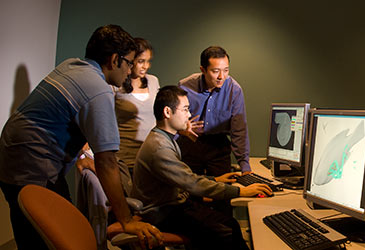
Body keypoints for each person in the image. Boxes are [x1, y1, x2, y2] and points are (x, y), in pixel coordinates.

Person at [0, 24, 162, 250]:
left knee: (37, 226)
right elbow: (107, 162)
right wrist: (125, 220)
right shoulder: (97, 89)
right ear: (115, 59)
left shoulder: (72, 65)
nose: (130, 70)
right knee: (46, 235)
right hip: (30, 164)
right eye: (129, 62)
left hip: (12, 155)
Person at [131, 85, 272, 250]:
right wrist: (242, 191)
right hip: (162, 213)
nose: (189, 115)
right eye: (185, 109)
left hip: (172, 205)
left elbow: (183, 177)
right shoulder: (159, 147)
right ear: (168, 112)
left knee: (230, 223)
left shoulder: (163, 138)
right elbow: (192, 183)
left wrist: (215, 179)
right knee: (227, 231)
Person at [177, 46, 251, 177]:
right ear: (203, 70)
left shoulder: (234, 90)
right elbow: (173, 121)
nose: (221, 76)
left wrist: (245, 166)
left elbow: (239, 130)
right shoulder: (185, 86)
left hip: (219, 145)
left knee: (223, 191)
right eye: (215, 71)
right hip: (190, 141)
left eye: (226, 70)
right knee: (191, 191)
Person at [112, 38, 160, 195]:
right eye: (141, 61)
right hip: (126, 158)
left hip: (150, 156)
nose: (145, 66)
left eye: (148, 61)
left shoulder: (153, 81)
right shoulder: (116, 85)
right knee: (129, 203)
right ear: (131, 60)